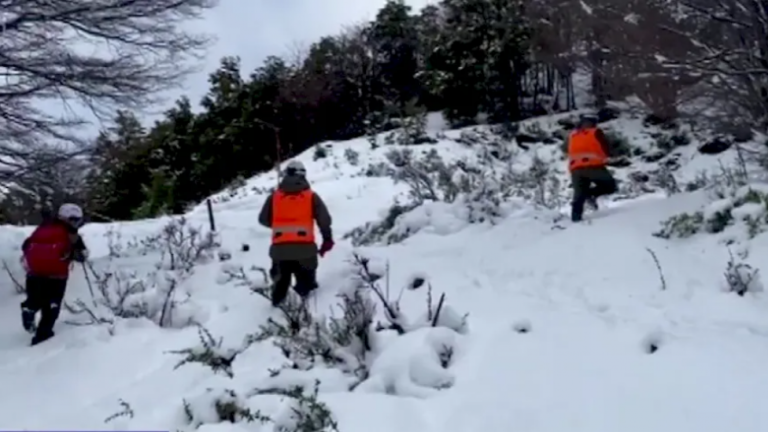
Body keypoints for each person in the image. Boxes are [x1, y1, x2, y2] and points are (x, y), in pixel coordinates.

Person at [258, 160, 334, 306]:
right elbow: (324, 220)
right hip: (305, 252)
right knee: (308, 292)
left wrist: (281, 227)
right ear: (303, 175)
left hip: (279, 253)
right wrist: (327, 239)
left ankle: (275, 318)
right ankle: (306, 322)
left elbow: (263, 219)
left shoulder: (274, 196)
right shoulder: (311, 196)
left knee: (280, 290)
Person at [20, 203, 88, 345]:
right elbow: (81, 255)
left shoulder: (44, 227)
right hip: (56, 276)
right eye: (75, 220)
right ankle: (42, 336)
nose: (76, 223)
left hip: (34, 274)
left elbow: (26, 245)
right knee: (52, 306)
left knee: (36, 298)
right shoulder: (71, 234)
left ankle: (30, 307)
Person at [566, 114, 618, 222]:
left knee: (578, 195)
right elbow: (606, 148)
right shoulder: (595, 132)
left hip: (575, 168)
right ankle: (590, 194)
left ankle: (575, 220)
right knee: (610, 186)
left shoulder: (573, 135)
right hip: (593, 166)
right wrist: (610, 156)